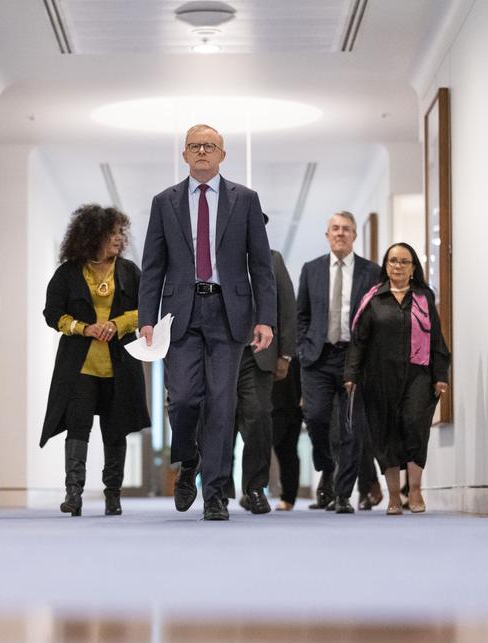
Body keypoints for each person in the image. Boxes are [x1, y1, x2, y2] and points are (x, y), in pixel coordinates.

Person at [138, 124, 276, 521]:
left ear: (222, 155)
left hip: (229, 313)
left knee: (221, 402)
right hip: (180, 312)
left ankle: (215, 493)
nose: (202, 151)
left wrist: (265, 318)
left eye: (209, 146)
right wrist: (147, 318)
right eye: (194, 146)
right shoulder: (164, 202)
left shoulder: (245, 200)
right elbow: (153, 266)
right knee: (182, 399)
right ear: (184, 155)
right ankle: (188, 459)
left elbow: (261, 266)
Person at [41, 204, 150, 517]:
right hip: (80, 365)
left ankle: (113, 494)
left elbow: (147, 309)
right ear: (91, 237)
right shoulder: (68, 273)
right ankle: (73, 493)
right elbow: (52, 314)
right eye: (111, 233)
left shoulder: (130, 271)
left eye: (120, 232)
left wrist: (118, 324)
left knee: (115, 430)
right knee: (78, 426)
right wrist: (83, 327)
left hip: (119, 363)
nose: (118, 239)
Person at [344, 242, 450, 515]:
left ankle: (414, 490)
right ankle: (393, 496)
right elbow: (359, 342)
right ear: (386, 265)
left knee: (415, 424)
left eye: (404, 261)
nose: (398, 266)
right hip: (378, 377)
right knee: (385, 432)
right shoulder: (373, 298)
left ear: (414, 267)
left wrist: (440, 375)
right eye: (393, 261)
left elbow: (436, 339)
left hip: (419, 375)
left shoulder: (423, 297)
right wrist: (351, 375)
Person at [296, 211, 380, 514]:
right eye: (335, 228)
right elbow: (301, 314)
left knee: (351, 428)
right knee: (316, 418)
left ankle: (344, 494)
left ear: (355, 235)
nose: (340, 233)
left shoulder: (371, 272)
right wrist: (303, 349)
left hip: (353, 359)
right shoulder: (311, 270)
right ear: (327, 234)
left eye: (346, 229)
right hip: (318, 357)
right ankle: (327, 468)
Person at [236, 214, 296, 514]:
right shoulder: (214, 262)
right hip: (222, 354)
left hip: (259, 355)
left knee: (259, 418)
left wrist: (285, 355)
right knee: (219, 421)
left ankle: (255, 488)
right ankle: (218, 490)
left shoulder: (273, 260)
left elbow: (287, 308)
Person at [271, 358, 303, 511]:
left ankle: (289, 496)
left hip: (292, 387)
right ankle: (253, 489)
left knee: (287, 447)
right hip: (265, 383)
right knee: (259, 442)